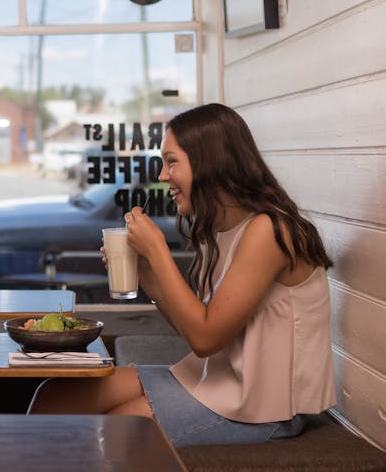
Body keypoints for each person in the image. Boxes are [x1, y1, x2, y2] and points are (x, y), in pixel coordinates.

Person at [28, 103, 336, 447]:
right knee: (57, 396)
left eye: (172, 162)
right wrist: (146, 273)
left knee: (116, 430)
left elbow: (206, 339)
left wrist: (158, 250)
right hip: (216, 381)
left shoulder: (269, 230)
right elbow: (196, 330)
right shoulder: (221, 228)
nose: (162, 176)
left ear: (210, 163)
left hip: (265, 406)